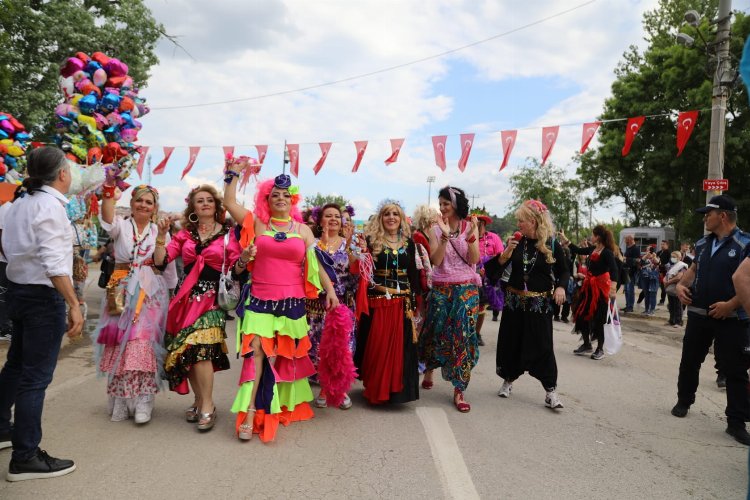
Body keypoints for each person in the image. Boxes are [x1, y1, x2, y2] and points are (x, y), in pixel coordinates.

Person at [223, 161, 338, 442]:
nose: (280, 199)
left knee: (286, 357)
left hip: (292, 304)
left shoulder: (303, 230)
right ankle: (251, 413)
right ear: (267, 199)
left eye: (286, 195)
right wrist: (235, 173)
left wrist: (330, 291)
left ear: (293, 200)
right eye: (275, 194)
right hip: (260, 300)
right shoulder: (256, 223)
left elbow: (316, 267)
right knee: (257, 355)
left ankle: (280, 406)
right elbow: (227, 201)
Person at [0, 146, 83, 481]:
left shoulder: (18, 203)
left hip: (18, 291)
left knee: (17, 366)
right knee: (35, 378)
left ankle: (3, 429)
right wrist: (73, 304)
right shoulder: (48, 206)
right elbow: (53, 265)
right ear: (62, 173)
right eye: (69, 169)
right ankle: (25, 456)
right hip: (41, 298)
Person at [153, 185, 245, 432]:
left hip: (212, 299)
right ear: (192, 207)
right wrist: (162, 235)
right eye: (199, 201)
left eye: (209, 200)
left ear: (216, 205)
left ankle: (208, 404)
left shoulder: (229, 235)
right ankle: (198, 399)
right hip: (184, 300)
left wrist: (245, 259)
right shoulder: (184, 235)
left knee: (202, 348)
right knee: (189, 353)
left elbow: (236, 269)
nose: (204, 204)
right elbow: (161, 261)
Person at [92, 184, 177, 424]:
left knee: (142, 342)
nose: (143, 205)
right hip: (119, 284)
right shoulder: (121, 225)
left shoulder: (159, 231)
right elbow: (107, 217)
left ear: (155, 208)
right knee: (118, 342)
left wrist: (171, 292)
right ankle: (120, 398)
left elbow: (167, 266)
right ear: (131, 203)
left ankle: (144, 399)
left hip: (150, 290)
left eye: (149, 202)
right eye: (139, 200)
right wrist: (109, 187)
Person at [671, 195, 750, 446]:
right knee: (689, 361)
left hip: (731, 318)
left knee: (735, 370)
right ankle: (684, 401)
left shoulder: (745, 243)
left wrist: (731, 305)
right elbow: (691, 273)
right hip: (698, 315)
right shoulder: (703, 244)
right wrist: (682, 287)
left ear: (723, 215)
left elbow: (747, 282)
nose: (705, 217)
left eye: (709, 213)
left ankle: (736, 423)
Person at [485, 199, 569, 409]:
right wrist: (505, 254)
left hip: (538, 305)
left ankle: (550, 391)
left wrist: (560, 287)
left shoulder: (551, 244)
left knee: (542, 346)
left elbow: (565, 271)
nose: (519, 224)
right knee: (511, 342)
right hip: (514, 304)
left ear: (533, 221)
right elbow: (494, 270)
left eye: (522, 220)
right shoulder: (516, 242)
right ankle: (508, 381)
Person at [353, 200, 421, 405]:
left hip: (403, 304)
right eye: (387, 214)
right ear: (381, 218)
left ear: (401, 219)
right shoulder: (371, 240)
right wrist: (362, 253)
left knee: (400, 349)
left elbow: (414, 274)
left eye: (395, 214)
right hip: (379, 301)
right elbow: (362, 270)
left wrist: (417, 299)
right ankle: (376, 389)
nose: (391, 217)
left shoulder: (410, 243)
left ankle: (395, 391)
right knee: (378, 347)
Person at [420, 187, 480, 412]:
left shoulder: (469, 227)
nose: (442, 208)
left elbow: (474, 258)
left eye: (446, 203)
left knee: (462, 337)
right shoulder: (435, 229)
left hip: (466, 290)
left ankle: (459, 388)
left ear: (456, 205)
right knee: (435, 330)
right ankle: (429, 369)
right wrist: (444, 236)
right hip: (441, 288)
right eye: (441, 203)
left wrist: (473, 235)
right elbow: (435, 260)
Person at [308, 203, 358, 410]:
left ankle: (340, 389)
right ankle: (324, 387)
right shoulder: (313, 244)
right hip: (316, 308)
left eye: (337, 216)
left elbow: (356, 272)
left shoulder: (350, 244)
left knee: (342, 350)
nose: (334, 220)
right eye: (328, 216)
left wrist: (350, 249)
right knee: (319, 350)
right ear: (320, 221)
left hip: (343, 305)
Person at [561, 225, 618, 360]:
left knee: (599, 319)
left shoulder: (607, 252)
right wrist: (564, 238)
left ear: (597, 236)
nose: (590, 237)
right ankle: (587, 344)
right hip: (588, 288)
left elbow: (615, 270)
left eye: (592, 234)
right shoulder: (593, 249)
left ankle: (600, 349)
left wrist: (613, 289)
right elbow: (578, 250)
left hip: (600, 289)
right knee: (581, 314)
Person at [474, 209, 505, 344]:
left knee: (481, 307)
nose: (476, 225)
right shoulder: (467, 237)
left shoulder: (493, 238)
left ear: (484, 223)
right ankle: (467, 333)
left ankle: (477, 333)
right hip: (470, 277)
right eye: (475, 222)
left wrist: (487, 267)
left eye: (479, 222)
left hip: (487, 279)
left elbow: (501, 257)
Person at [0, 200, 14, 342]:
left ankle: (7, 325)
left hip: (9, 260)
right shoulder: (5, 208)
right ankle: (4, 328)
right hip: (4, 261)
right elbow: (1, 234)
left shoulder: (15, 207)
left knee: (8, 294)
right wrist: (7, 257)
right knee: (3, 294)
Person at [664, 250, 687, 328]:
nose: (672, 258)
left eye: (674, 257)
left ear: (679, 257)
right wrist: (666, 280)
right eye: (672, 257)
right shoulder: (671, 265)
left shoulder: (683, 266)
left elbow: (679, 277)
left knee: (677, 305)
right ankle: (672, 320)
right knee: (671, 305)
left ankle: (678, 321)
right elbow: (668, 274)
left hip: (677, 287)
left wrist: (669, 282)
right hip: (670, 287)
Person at [622, 234, 641, 313]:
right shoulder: (628, 248)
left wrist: (626, 259)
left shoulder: (636, 248)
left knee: (630, 290)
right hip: (626, 271)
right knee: (626, 290)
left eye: (626, 239)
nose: (625, 241)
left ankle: (630, 307)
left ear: (630, 239)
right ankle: (627, 305)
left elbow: (637, 260)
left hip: (632, 272)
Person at [656, 240, 671, 305]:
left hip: (665, 272)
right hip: (657, 271)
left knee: (664, 287)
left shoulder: (668, 253)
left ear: (667, 245)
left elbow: (669, 263)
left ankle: (663, 300)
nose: (662, 245)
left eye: (663, 244)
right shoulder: (659, 252)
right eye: (661, 244)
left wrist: (662, 267)